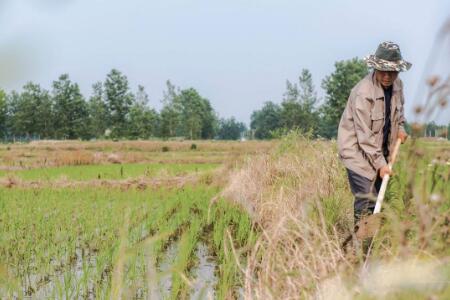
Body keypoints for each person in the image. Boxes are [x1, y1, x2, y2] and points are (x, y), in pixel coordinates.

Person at [337, 41, 411, 226]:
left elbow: (398, 116)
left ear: (398, 71)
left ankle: (373, 241)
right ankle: (361, 248)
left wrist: (401, 129)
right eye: (383, 70)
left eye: (392, 72)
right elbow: (364, 136)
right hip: (357, 151)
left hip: (380, 151)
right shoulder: (363, 93)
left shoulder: (398, 86)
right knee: (367, 198)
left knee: (379, 198)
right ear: (375, 68)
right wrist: (381, 164)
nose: (387, 76)